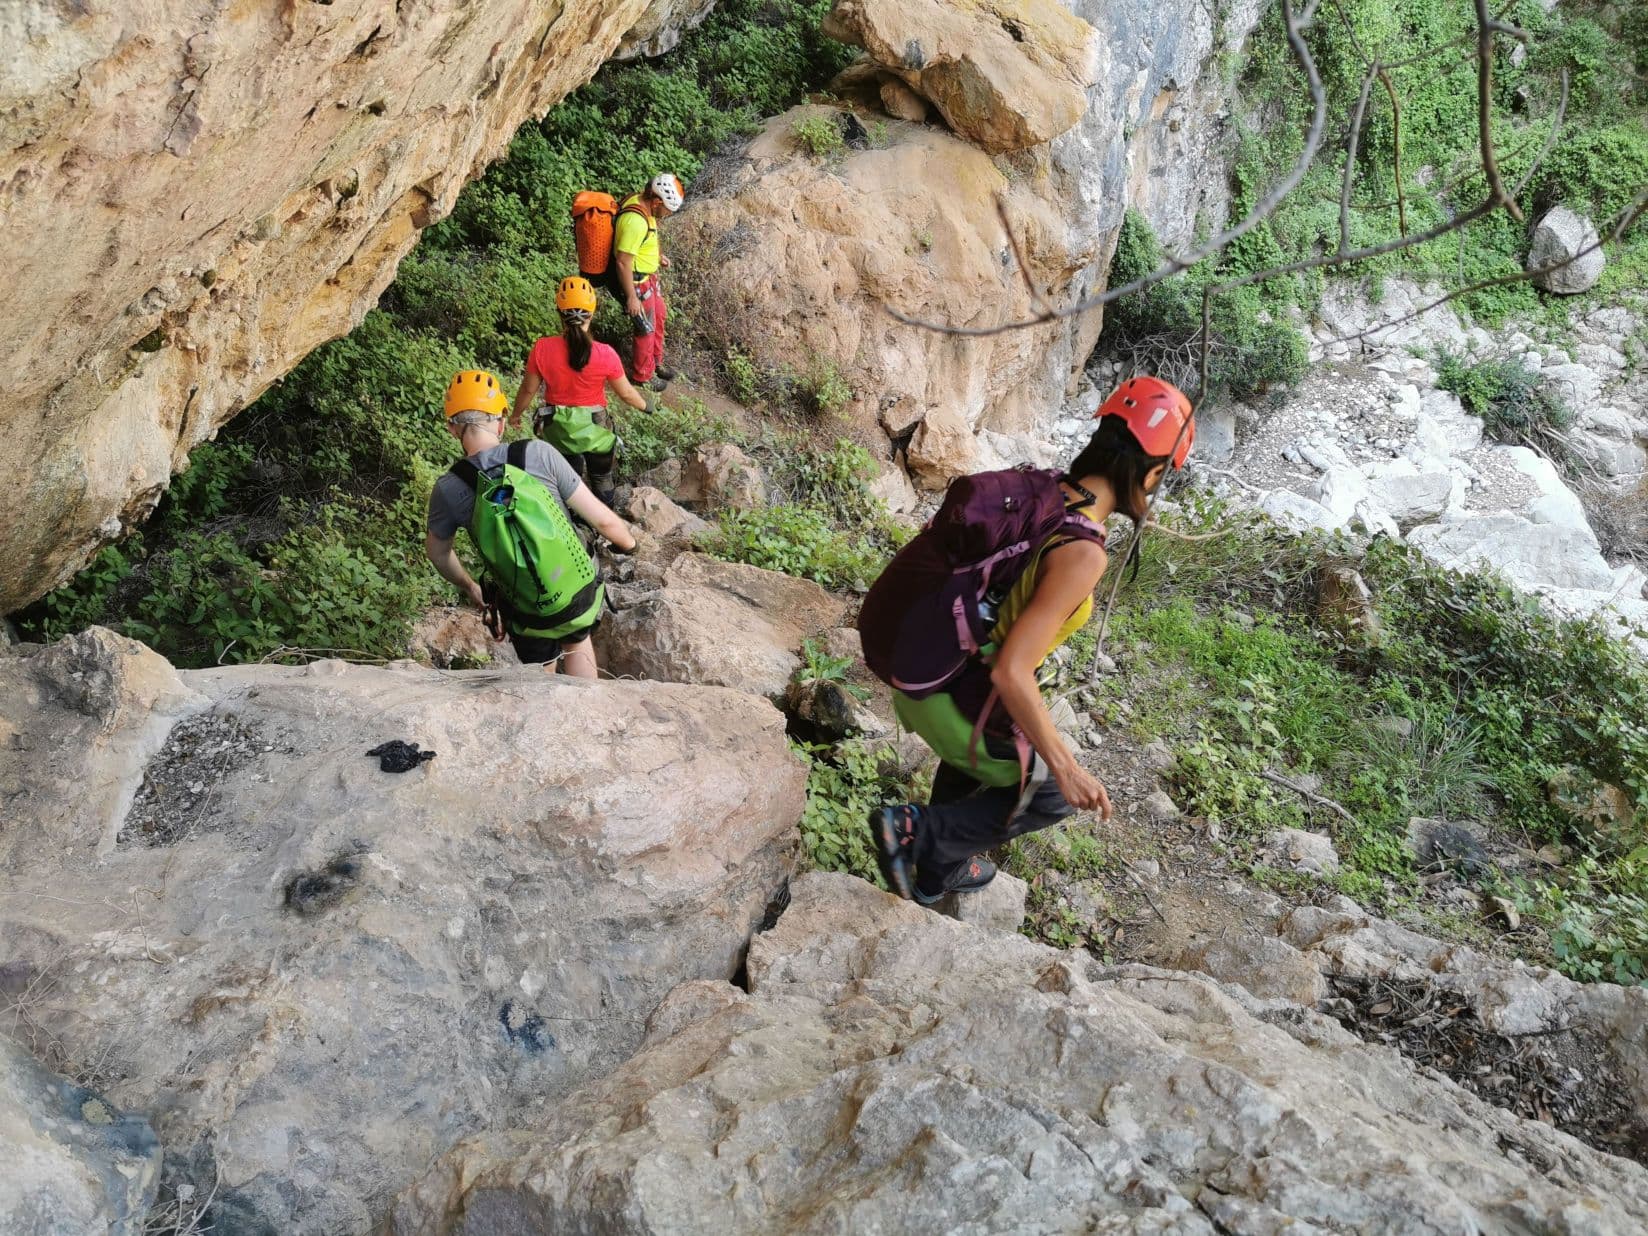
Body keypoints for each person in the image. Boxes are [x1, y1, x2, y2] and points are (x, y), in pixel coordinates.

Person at [866, 377, 1195, 905]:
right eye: (1160, 478)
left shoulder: (1039, 491)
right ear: (1151, 472)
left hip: (925, 669)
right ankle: (915, 831)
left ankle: (932, 874)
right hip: (947, 696)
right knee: (1051, 792)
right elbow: (1011, 671)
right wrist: (1067, 767)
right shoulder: (1083, 553)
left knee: (1003, 726)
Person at [426, 369, 637, 679]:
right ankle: (590, 716)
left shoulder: (449, 488)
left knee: (539, 668)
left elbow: (438, 554)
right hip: (572, 589)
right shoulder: (537, 453)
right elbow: (604, 521)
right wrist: (631, 544)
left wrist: (471, 586)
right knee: (577, 642)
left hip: (522, 605)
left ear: (452, 429)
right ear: (500, 418)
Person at [511, 276, 652, 506]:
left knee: (568, 483)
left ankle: (575, 519)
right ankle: (605, 518)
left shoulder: (542, 349)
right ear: (592, 313)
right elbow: (626, 394)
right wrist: (646, 406)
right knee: (602, 480)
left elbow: (528, 390)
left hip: (559, 432)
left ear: (559, 312)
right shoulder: (605, 353)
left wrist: (516, 416)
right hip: (596, 431)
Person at [609, 172, 684, 388]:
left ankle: (655, 362)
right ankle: (643, 375)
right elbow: (623, 261)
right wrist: (631, 298)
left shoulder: (646, 206)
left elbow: (646, 238)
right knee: (645, 327)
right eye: (668, 210)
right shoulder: (635, 221)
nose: (668, 214)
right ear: (657, 201)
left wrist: (657, 256)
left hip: (648, 277)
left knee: (658, 315)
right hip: (637, 282)